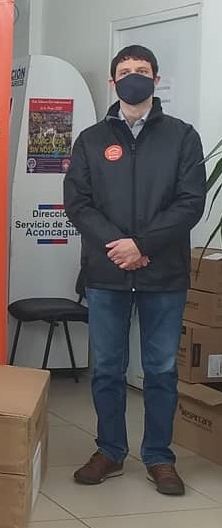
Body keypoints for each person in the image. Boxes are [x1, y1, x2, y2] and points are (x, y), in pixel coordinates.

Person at [64, 45, 206, 496]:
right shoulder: (91, 139)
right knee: (107, 368)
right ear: (113, 82)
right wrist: (120, 247)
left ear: (156, 79)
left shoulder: (182, 137)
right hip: (106, 274)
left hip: (163, 275)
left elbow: (190, 203)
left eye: (142, 70)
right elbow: (77, 203)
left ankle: (160, 457)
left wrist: (142, 245)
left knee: (161, 370)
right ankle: (109, 450)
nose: (133, 77)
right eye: (125, 72)